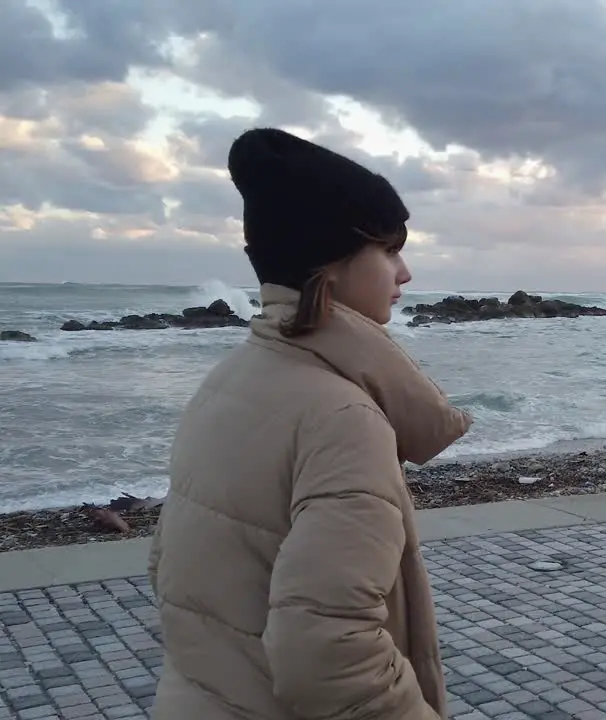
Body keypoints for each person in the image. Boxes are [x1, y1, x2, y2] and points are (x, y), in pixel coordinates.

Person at [147, 128, 472, 720]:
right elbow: (332, 656)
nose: (405, 274)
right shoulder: (343, 417)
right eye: (389, 250)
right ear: (332, 264)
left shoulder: (228, 380)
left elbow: (171, 571)